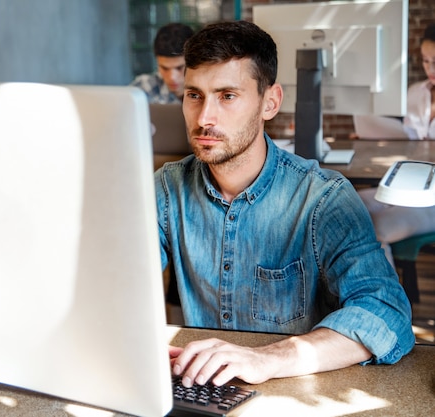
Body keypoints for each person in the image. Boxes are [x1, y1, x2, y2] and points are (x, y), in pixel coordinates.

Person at [155, 20, 415, 388]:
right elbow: (113, 282)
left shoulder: (322, 198)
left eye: (227, 96)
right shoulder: (167, 188)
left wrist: (269, 358)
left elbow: (386, 313)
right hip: (201, 387)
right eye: (194, 95)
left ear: (270, 102)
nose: (204, 118)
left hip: (293, 390)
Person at [358, 23, 435, 265]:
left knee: (372, 229)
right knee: (345, 205)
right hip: (406, 186)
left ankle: (388, 301)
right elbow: (407, 137)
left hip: (432, 199)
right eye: (425, 61)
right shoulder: (415, 93)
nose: (430, 68)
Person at [130, 23, 194, 104]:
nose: (172, 77)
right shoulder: (143, 89)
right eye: (164, 68)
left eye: (179, 68)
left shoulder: (211, 90)